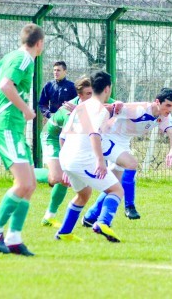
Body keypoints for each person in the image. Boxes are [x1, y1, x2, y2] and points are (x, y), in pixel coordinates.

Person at [0, 23, 45, 256]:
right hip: (7, 126)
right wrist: (25, 108)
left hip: (10, 126)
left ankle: (14, 237)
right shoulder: (25, 59)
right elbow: (6, 84)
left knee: (31, 185)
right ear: (39, 44)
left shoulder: (10, 56)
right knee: (23, 183)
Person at [82, 88, 172, 223]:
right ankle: (130, 206)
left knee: (115, 184)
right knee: (132, 164)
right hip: (108, 137)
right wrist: (79, 110)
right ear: (157, 102)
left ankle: (90, 216)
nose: (170, 109)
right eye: (168, 105)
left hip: (123, 142)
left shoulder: (164, 116)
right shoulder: (140, 109)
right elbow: (108, 109)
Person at [56, 70, 124, 242]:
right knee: (116, 190)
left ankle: (64, 233)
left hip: (67, 157)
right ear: (108, 88)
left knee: (84, 194)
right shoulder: (100, 110)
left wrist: (66, 166)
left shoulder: (80, 107)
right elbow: (94, 134)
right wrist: (100, 161)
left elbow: (62, 137)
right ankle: (103, 222)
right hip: (82, 159)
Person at [39, 76, 93, 228]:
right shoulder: (68, 111)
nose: (92, 97)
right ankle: (25, 173)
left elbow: (112, 106)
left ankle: (49, 217)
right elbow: (65, 139)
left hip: (67, 141)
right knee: (58, 176)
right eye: (88, 94)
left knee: (64, 179)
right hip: (53, 138)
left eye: (93, 93)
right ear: (79, 95)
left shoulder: (94, 102)